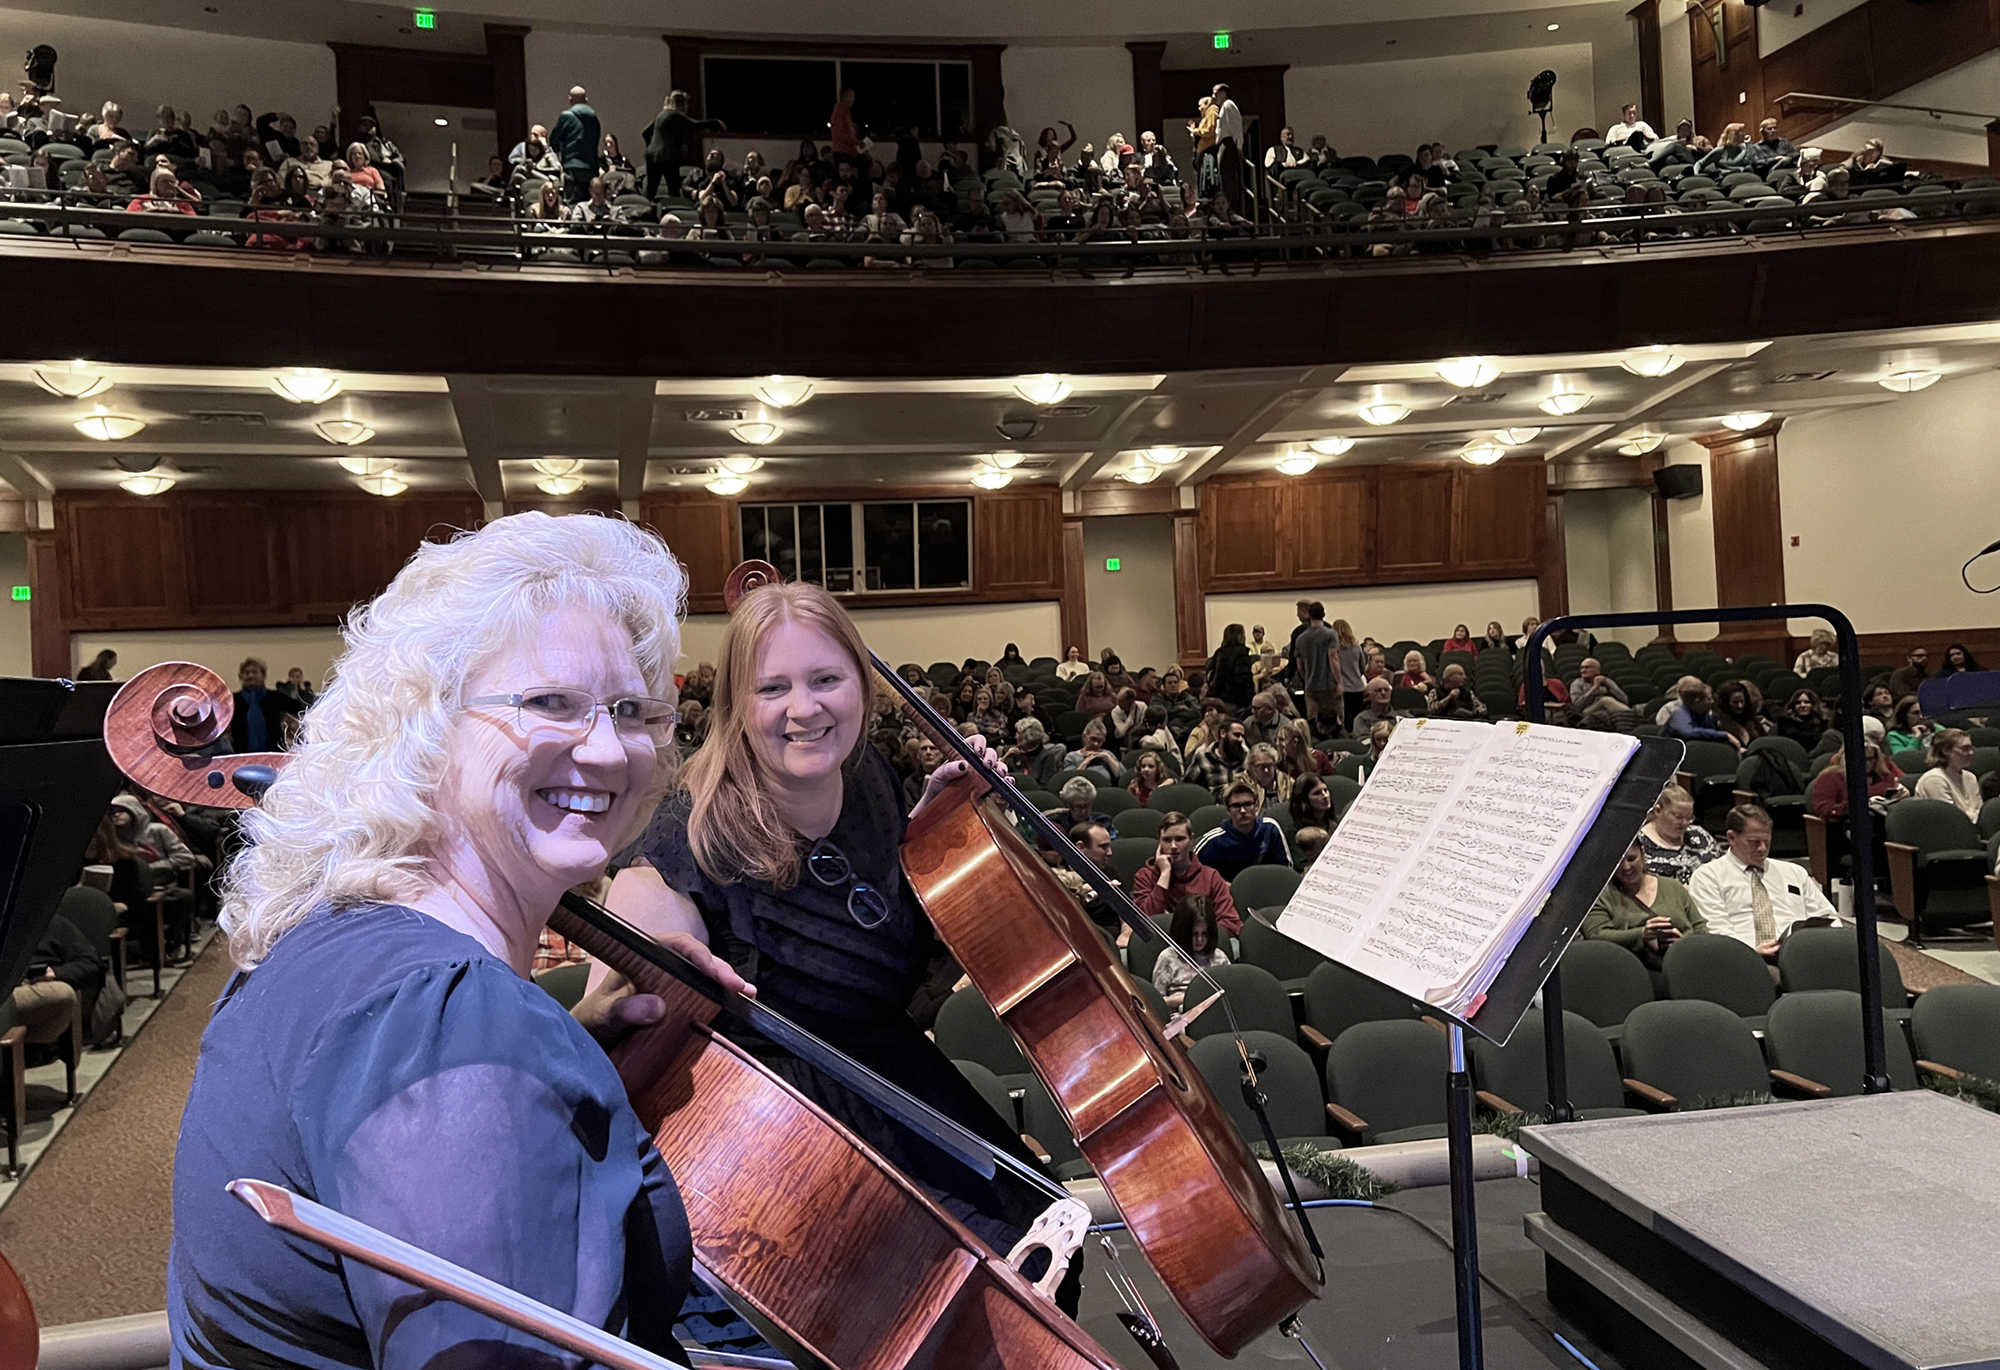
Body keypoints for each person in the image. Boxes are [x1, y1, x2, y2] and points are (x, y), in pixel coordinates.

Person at [170, 514, 734, 1367]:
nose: (608, 747)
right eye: (551, 702)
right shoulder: (448, 1020)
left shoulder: (335, 940)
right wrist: (508, 1060)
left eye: (630, 711)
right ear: (425, 730)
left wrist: (562, 1062)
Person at [604, 576, 1076, 1304]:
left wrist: (943, 835)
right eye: (774, 689)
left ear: (862, 684)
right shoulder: (692, 826)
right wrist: (656, 943)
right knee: (967, 1295)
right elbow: (647, 904)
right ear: (736, 706)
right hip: (786, 1120)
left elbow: (889, 939)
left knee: (1042, 1243)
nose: (805, 708)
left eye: (827, 679)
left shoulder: (874, 783)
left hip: (890, 1072)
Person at [1687, 805, 1835, 960]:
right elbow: (1716, 931)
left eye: (1767, 841)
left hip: (1800, 954)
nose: (1763, 848)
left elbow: (1828, 916)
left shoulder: (1794, 872)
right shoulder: (1708, 876)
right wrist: (1750, 952)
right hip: (1744, 959)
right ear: (1731, 838)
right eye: (1754, 842)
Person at [1584, 841, 1707, 971]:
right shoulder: (1600, 896)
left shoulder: (1672, 886)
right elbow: (1596, 936)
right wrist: (1642, 934)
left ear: (1643, 854)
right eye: (1619, 861)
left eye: (1631, 859)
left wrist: (1683, 944)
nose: (1626, 867)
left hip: (1684, 964)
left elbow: (1700, 928)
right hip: (1630, 969)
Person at [1132, 814, 1239, 939]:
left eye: (1179, 839)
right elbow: (1143, 923)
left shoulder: (1211, 877)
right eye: (1167, 840)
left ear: (1191, 840)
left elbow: (1231, 924)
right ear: (1159, 843)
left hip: (1202, 948)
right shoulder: (1145, 876)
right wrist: (1164, 874)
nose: (1173, 846)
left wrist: (1193, 935)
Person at [1194, 782, 1290, 881]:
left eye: (1248, 804)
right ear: (1228, 810)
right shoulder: (1214, 840)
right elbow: (1193, 871)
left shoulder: (1270, 829)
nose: (1243, 810)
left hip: (1266, 887)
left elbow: (1285, 869)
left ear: (1256, 806)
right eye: (1236, 806)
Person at [1151, 895, 1229, 1010]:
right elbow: (1156, 1003)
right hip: (1180, 1018)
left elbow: (1230, 995)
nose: (1200, 940)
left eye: (1205, 933)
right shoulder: (1168, 958)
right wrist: (1187, 999)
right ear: (1183, 932)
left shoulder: (1220, 957)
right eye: (1194, 934)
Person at [644, 90, 724, 202]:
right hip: (668, 157)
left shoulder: (661, 115)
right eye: (686, 104)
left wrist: (652, 147)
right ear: (680, 104)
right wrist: (715, 123)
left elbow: (645, 133)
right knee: (674, 190)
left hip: (652, 156)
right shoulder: (675, 115)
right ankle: (674, 212)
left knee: (651, 190)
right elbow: (695, 125)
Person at [1636, 783, 1724, 884]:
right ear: (1658, 811)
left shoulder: (1699, 834)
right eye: (1678, 817)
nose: (1685, 823)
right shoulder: (1639, 843)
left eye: (1689, 818)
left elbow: (1722, 866)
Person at [1809, 740, 1906, 820]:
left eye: (1871, 759)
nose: (1868, 764)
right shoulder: (1831, 777)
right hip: (1845, 827)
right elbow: (1823, 809)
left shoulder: (1883, 776)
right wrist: (1859, 805)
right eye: (1862, 759)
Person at [230, 657, 306, 753]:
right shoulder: (233, 700)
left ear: (263, 675)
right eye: (247, 672)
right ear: (240, 676)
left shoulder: (275, 697)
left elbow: (301, 707)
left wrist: (302, 689)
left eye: (255, 672)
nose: (251, 675)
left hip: (274, 753)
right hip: (241, 755)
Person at [1291, 602, 1339, 736]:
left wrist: (1306, 678)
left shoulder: (1301, 638)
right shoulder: (1331, 634)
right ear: (1323, 614)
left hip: (1311, 685)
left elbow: (1299, 665)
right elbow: (1333, 657)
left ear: (1309, 615)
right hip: (1330, 684)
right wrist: (1340, 682)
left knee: (1313, 721)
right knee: (1335, 720)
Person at [1913, 729, 1982, 820]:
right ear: (1946, 750)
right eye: (1965, 749)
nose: (1971, 753)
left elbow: (1981, 811)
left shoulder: (1970, 777)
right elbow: (1950, 817)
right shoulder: (1933, 780)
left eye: (1971, 748)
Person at [1185, 718, 1247, 800]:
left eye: (1242, 736)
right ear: (1223, 733)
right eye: (1236, 735)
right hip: (1214, 807)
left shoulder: (1247, 758)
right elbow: (1187, 787)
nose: (1240, 739)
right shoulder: (1203, 757)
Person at [1666, 682, 1738, 750]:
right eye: (1709, 699)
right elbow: (1688, 732)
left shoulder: (1704, 715)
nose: (1712, 701)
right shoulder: (1679, 715)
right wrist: (1725, 735)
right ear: (1697, 702)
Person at [1003, 716, 1066, 791]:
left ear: (1028, 738)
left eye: (1018, 733)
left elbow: (1045, 786)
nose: (1015, 736)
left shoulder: (1047, 757)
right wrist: (1005, 758)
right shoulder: (1013, 753)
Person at [1206, 623, 1255, 711]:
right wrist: (1249, 698)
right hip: (1235, 699)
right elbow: (1242, 678)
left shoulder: (1219, 652)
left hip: (1219, 696)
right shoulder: (1241, 653)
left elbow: (1210, 673)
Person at [1063, 717, 1123, 784]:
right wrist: (1086, 762)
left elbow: (1123, 776)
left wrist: (1107, 757)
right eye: (1093, 739)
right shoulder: (1072, 756)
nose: (1096, 744)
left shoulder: (1107, 754)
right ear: (1085, 736)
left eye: (1100, 741)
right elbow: (1068, 781)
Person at [1714, 680, 1770, 748]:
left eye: (1742, 701)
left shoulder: (1752, 720)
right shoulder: (1720, 724)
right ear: (1726, 703)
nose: (1740, 705)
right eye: (1735, 702)